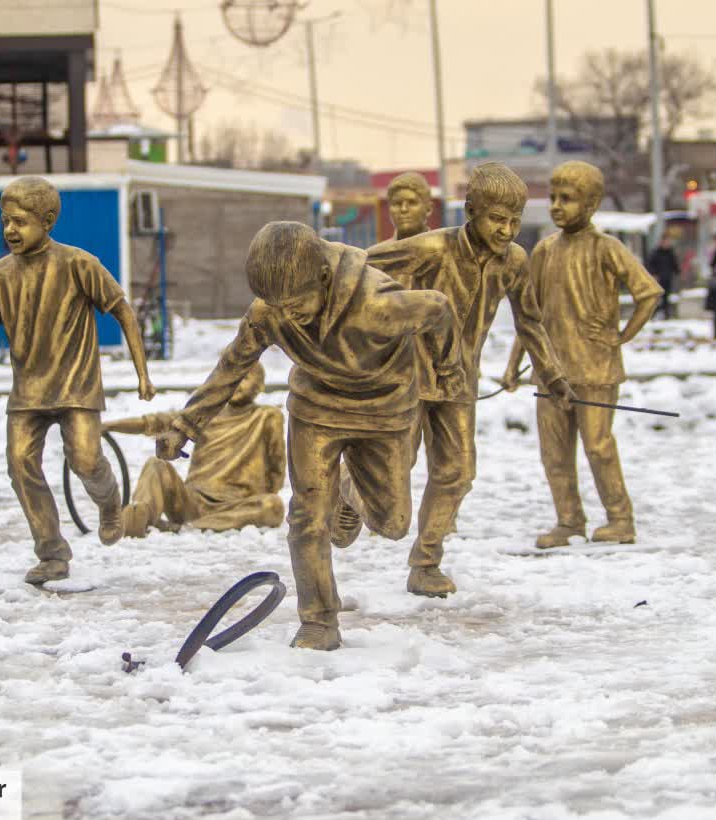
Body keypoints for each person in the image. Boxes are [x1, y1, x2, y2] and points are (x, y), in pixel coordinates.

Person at [154, 221, 465, 651]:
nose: (286, 314)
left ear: (322, 277)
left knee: (392, 524)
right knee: (307, 517)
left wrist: (448, 368)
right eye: (276, 305)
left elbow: (440, 309)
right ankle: (319, 619)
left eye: (296, 303)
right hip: (315, 409)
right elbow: (231, 367)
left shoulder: (379, 304)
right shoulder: (269, 311)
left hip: (383, 410)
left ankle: (348, 491)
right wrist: (185, 425)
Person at [366, 163, 573, 596]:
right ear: (471, 211)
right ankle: (350, 493)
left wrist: (552, 376)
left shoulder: (514, 261)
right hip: (409, 375)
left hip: (460, 382)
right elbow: (362, 265)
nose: (506, 231)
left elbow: (530, 322)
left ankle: (426, 562)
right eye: (497, 219)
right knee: (395, 466)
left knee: (458, 472)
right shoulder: (434, 246)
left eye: (514, 221)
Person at [0, 176, 155, 585]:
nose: (9, 230)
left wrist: (142, 373)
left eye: (19, 222)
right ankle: (52, 552)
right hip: (28, 393)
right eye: (5, 221)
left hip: (76, 387)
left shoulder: (78, 263)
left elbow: (123, 311)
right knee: (20, 464)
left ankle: (110, 503)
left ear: (48, 221)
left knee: (85, 460)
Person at [502, 161, 663, 549]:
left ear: (590, 204)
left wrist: (620, 337)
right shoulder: (544, 251)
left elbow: (648, 293)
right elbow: (529, 315)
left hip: (595, 370)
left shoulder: (607, 248)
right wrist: (513, 365)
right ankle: (569, 520)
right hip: (550, 372)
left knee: (598, 446)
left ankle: (620, 519)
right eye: (553, 198)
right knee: (554, 453)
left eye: (567, 199)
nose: (557, 206)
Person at [105, 363, 285, 537]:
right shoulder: (204, 414)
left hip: (238, 506)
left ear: (260, 385)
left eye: (245, 378)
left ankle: (192, 527)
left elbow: (277, 466)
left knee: (273, 505)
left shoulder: (267, 416)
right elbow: (153, 422)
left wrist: (261, 493)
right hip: (192, 502)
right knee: (156, 465)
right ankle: (140, 514)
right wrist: (108, 426)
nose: (237, 383)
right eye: (233, 377)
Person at [372, 171, 433, 249]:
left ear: (428, 209)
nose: (403, 209)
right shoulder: (379, 254)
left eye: (412, 203)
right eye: (397, 203)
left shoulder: (445, 249)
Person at [645, 233, 680, 320]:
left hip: (667, 278)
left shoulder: (670, 253)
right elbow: (650, 265)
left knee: (666, 297)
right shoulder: (655, 253)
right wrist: (654, 274)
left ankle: (666, 314)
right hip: (658, 279)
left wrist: (677, 271)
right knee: (657, 298)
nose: (667, 243)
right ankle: (653, 314)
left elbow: (674, 264)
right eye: (665, 241)